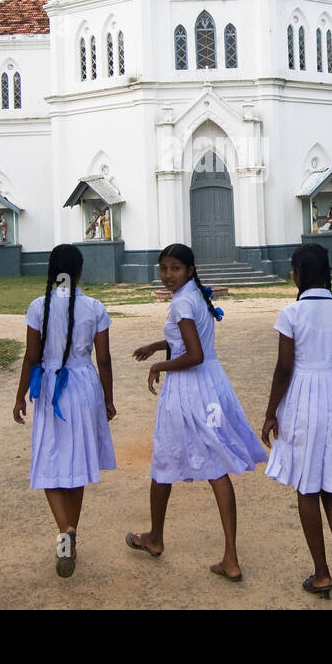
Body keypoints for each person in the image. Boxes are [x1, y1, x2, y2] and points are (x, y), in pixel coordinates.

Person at [126, 243, 267, 581]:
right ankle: (229, 556)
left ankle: (156, 538)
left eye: (175, 268)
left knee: (165, 458)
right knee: (216, 464)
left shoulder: (183, 302)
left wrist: (158, 364)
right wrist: (156, 345)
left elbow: (194, 354)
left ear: (189, 270)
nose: (168, 275)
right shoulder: (194, 296)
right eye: (163, 269)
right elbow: (188, 341)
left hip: (189, 389)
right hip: (211, 386)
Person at [261, 243, 332, 599]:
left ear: (297, 276)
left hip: (304, 397)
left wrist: (271, 412)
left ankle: (321, 573)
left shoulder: (290, 314)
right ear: (329, 274)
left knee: (306, 485)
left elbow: (284, 368)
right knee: (330, 482)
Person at [13, 244, 116, 578]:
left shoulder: (37, 307)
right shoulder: (95, 307)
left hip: (50, 388)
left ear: (50, 270)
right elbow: (104, 359)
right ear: (80, 272)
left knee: (49, 463)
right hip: (85, 388)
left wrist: (19, 396)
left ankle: (65, 532)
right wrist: (108, 399)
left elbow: (31, 357)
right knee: (77, 465)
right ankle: (71, 532)